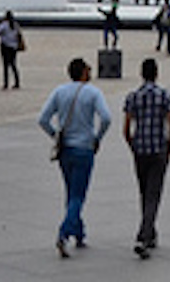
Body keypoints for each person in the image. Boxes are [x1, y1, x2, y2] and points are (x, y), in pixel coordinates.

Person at [38, 56, 113, 257]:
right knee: (78, 195)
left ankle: (79, 232)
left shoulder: (59, 91)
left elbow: (43, 119)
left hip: (65, 150)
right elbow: (106, 118)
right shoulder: (93, 92)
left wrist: (55, 134)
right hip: (85, 148)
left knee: (71, 192)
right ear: (83, 72)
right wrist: (97, 137)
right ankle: (64, 233)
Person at [122, 57, 170, 259]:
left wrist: (132, 145)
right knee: (154, 194)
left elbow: (126, 128)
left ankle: (149, 232)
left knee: (144, 192)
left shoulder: (133, 97)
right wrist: (169, 149)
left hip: (140, 150)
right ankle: (144, 237)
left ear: (141, 74)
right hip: (158, 150)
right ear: (157, 73)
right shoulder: (165, 96)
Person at [0, 11, 25, 90]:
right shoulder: (15, 25)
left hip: (5, 46)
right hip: (14, 47)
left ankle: (6, 83)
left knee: (5, 65)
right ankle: (17, 82)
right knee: (13, 65)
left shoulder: (4, 25)